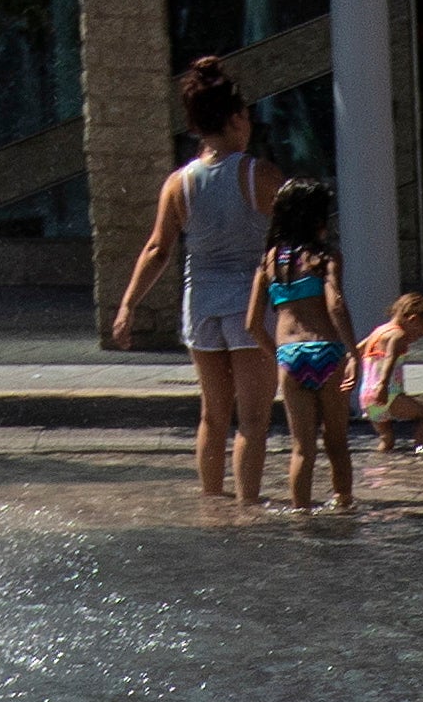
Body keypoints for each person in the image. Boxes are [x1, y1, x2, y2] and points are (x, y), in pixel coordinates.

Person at [111, 74, 284, 501]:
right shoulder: (258, 174)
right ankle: (247, 509)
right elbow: (292, 239)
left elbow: (157, 249)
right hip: (250, 306)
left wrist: (128, 305)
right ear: (237, 118)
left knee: (212, 416)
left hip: (201, 305)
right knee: (254, 420)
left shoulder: (179, 183)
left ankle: (212, 505)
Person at [251, 174, 357, 511]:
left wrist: (278, 355)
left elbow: (251, 324)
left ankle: (300, 516)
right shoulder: (325, 258)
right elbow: (336, 305)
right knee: (337, 443)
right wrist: (353, 352)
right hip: (327, 351)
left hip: (290, 357)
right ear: (317, 218)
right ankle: (344, 508)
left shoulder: (268, 263)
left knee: (302, 449)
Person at [354, 285, 423, 456]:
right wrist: (383, 386)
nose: (414, 339)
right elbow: (390, 359)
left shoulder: (378, 332)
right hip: (388, 394)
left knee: (387, 437)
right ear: (413, 320)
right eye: (418, 334)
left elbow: (357, 351)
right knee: (422, 415)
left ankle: (380, 463)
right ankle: (421, 449)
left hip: (366, 396)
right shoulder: (398, 336)